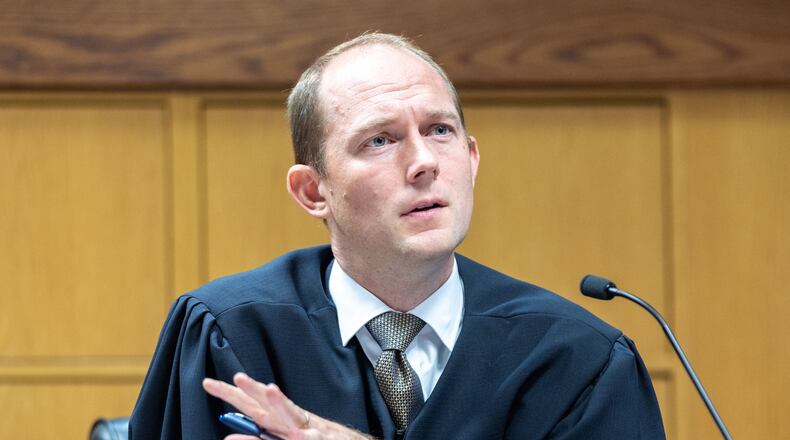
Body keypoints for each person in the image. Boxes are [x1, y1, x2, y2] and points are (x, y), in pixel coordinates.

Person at [130, 33, 665, 439]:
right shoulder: (231, 333)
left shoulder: (577, 359)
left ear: (471, 160)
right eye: (380, 140)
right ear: (313, 191)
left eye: (440, 130)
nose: (425, 163)